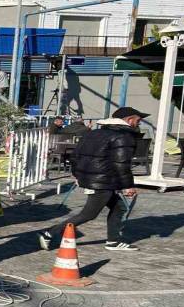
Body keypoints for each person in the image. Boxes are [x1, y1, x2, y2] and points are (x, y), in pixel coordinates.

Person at [38, 107, 147, 252]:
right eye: (138, 121)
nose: (138, 124)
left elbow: (75, 156)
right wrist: (128, 186)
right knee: (88, 214)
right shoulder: (124, 137)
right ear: (129, 119)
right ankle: (49, 233)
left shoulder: (93, 133)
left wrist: (77, 174)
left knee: (119, 207)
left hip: (98, 179)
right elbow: (122, 164)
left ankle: (113, 241)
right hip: (103, 182)